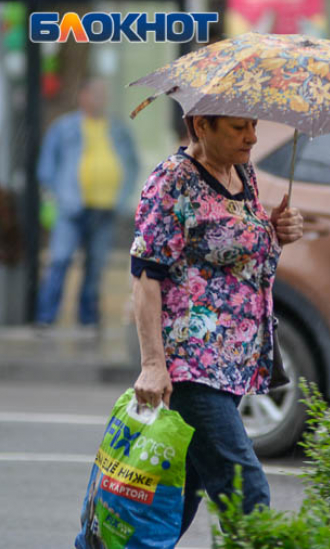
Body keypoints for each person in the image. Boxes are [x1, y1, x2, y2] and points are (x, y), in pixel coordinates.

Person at [130, 114, 303, 538]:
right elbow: (145, 274)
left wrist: (278, 231)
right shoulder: (174, 180)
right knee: (246, 492)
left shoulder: (241, 174)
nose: (253, 135)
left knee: (172, 505)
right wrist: (153, 364)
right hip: (191, 368)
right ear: (201, 126)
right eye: (238, 127)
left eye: (253, 124)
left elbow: (244, 258)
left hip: (233, 368)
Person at [35, 78, 139, 328]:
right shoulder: (64, 127)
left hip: (105, 207)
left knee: (96, 265)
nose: (101, 99)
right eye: (95, 93)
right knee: (60, 259)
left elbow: (131, 164)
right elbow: (47, 166)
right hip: (71, 207)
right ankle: (46, 317)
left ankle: (88, 319)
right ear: (83, 96)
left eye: (104, 94)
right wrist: (60, 193)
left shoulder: (117, 128)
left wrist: (122, 195)